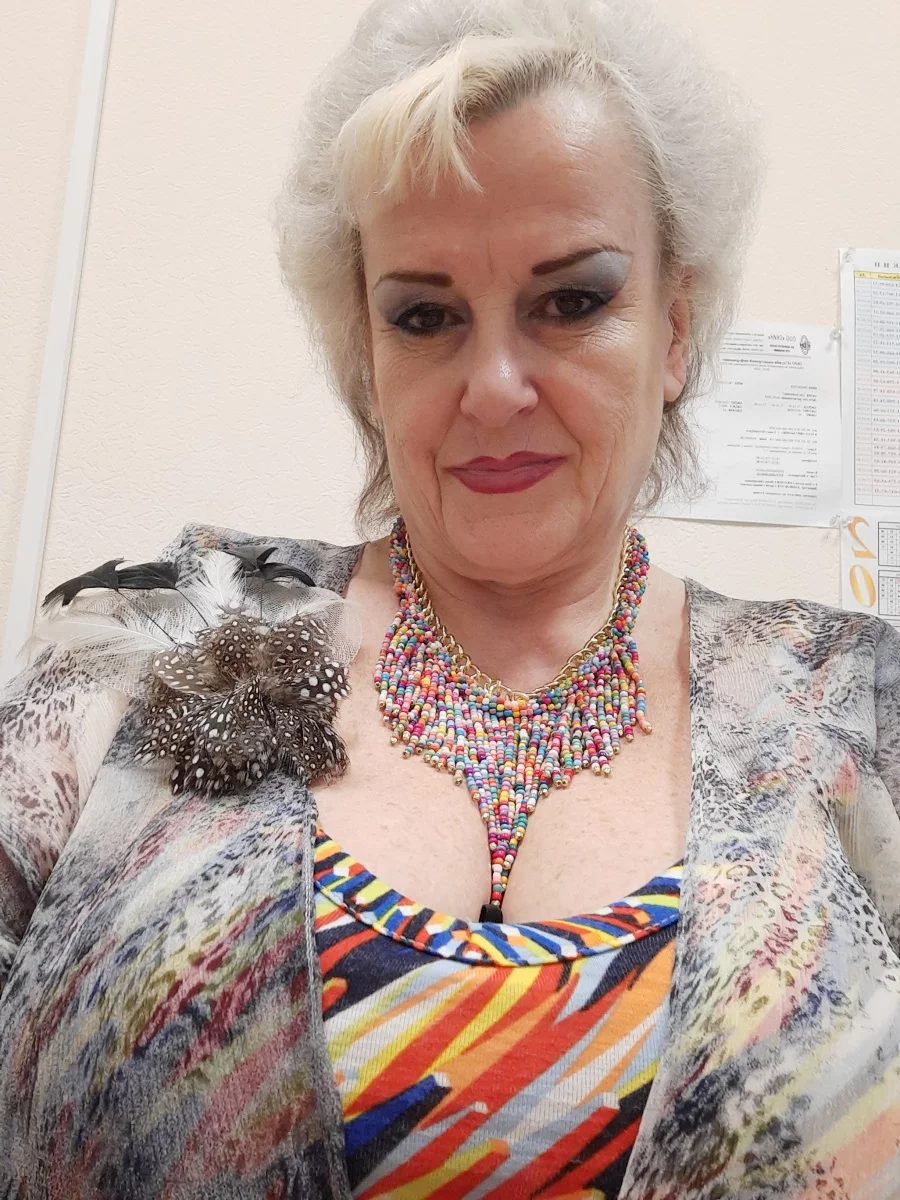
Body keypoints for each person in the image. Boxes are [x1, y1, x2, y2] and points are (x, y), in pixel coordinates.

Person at [1, 0, 899, 1195]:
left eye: (571, 301)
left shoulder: (854, 707)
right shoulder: (153, 640)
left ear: (675, 330)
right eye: (425, 316)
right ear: (364, 356)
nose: (494, 387)